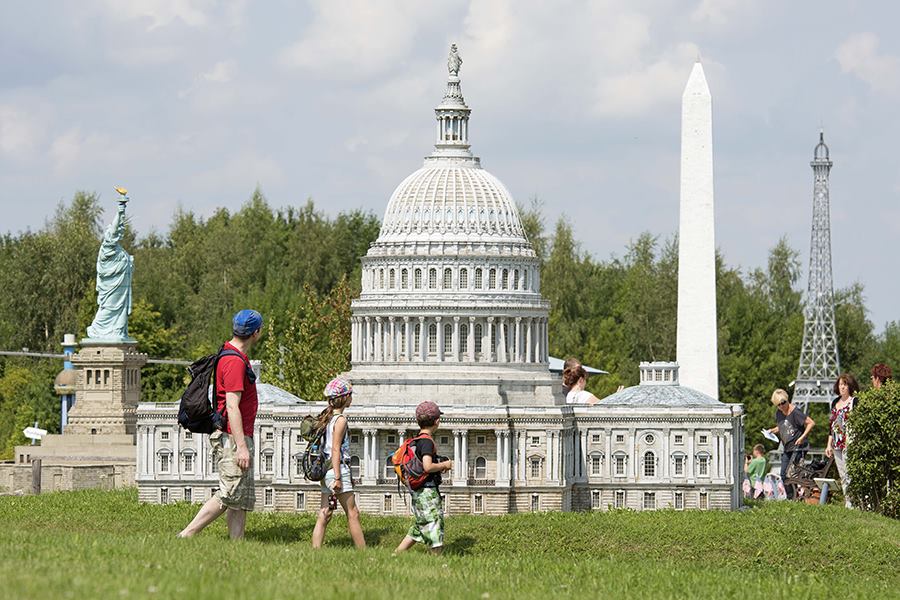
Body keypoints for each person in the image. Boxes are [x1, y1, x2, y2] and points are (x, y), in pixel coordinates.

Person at [179, 309, 263, 539]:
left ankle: (237, 543)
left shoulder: (230, 354)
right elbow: (233, 406)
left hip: (235, 435)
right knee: (229, 492)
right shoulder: (234, 361)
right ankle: (187, 534)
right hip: (233, 437)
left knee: (239, 497)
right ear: (256, 333)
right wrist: (242, 446)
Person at [311, 377, 365, 549]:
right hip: (336, 469)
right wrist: (339, 477)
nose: (351, 398)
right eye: (350, 395)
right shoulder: (340, 420)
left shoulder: (328, 419)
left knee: (325, 512)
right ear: (344, 397)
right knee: (353, 513)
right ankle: (363, 552)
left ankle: (315, 550)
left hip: (326, 470)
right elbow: (335, 449)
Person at [394, 401, 453, 555]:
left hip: (418, 491)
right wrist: (445, 465)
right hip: (427, 492)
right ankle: (437, 560)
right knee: (434, 524)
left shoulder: (417, 441)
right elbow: (427, 467)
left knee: (420, 525)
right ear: (437, 421)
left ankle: (396, 555)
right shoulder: (427, 442)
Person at [766, 389, 814, 499]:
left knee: (793, 473)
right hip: (787, 447)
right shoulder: (779, 413)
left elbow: (811, 423)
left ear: (787, 400)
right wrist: (773, 430)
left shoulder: (795, 412)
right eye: (779, 404)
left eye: (784, 402)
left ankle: (801, 494)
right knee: (783, 474)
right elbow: (784, 426)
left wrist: (802, 437)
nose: (782, 406)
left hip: (798, 447)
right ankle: (791, 496)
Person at [825, 373, 859, 508]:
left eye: (844, 384)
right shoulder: (835, 402)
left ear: (850, 386)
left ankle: (853, 501)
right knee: (843, 474)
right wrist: (828, 445)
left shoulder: (854, 401)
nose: (842, 387)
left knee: (850, 473)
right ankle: (848, 501)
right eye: (840, 384)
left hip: (848, 442)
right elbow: (831, 426)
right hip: (836, 443)